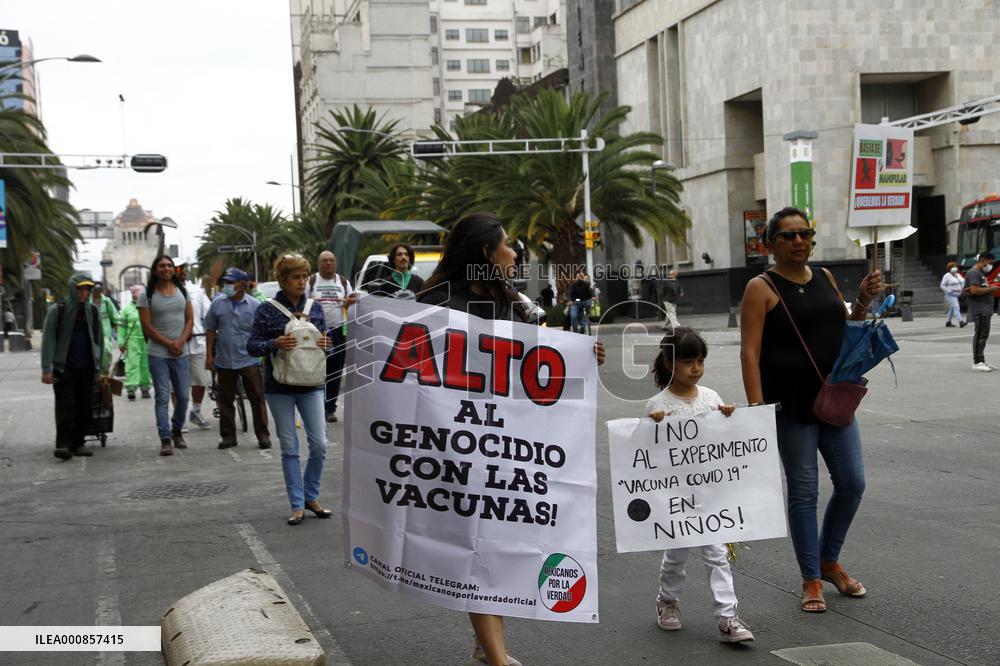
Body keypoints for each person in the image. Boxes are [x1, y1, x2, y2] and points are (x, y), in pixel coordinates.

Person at [418, 212, 606, 666]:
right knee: (477, 541)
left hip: (507, 442)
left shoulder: (511, 299)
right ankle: (498, 657)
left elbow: (534, 356)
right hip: (459, 441)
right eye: (506, 243)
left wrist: (580, 356)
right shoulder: (438, 301)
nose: (514, 251)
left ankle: (487, 645)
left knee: (498, 541)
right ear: (485, 252)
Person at [740, 206, 882, 613]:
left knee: (852, 484)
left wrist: (862, 300)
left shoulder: (825, 277)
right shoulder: (761, 287)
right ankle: (811, 579)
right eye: (789, 236)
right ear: (771, 244)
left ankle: (828, 559)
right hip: (791, 408)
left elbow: (847, 324)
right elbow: (749, 354)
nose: (799, 241)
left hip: (834, 399)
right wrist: (756, 410)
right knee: (804, 493)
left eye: (805, 233)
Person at [645, 327, 754, 643]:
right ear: (668, 362)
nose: (695, 368)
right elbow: (644, 451)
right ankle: (667, 601)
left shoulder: (711, 398)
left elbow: (723, 439)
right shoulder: (657, 404)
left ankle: (728, 616)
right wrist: (653, 425)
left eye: (700, 361)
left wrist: (727, 416)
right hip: (677, 497)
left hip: (709, 495)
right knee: (676, 555)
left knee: (717, 555)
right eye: (688, 361)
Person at [247, 254, 331, 525]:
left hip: (312, 382)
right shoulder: (266, 309)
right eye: (296, 277)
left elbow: (325, 337)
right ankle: (297, 504)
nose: (302, 281)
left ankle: (310, 495)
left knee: (319, 444)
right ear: (283, 280)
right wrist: (274, 343)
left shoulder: (314, 307)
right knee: (290, 447)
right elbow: (251, 345)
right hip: (278, 386)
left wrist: (326, 345)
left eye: (304, 277)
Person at [205, 267, 271, 449]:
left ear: (243, 284)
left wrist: (263, 353)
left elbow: (262, 333)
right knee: (225, 399)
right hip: (225, 359)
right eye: (227, 282)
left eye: (232, 282)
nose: (228, 285)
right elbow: (210, 329)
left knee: (257, 398)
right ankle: (228, 436)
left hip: (249, 359)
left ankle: (263, 435)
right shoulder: (218, 304)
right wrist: (209, 354)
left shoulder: (254, 305)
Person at [40, 273, 104, 459]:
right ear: (72, 289)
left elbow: (99, 339)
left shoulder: (92, 311)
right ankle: (63, 444)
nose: (84, 293)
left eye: (87, 289)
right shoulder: (57, 310)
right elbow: (48, 340)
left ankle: (79, 442)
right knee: (65, 406)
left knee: (84, 405)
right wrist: (46, 369)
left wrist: (99, 367)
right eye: (80, 289)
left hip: (87, 367)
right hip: (63, 367)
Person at [138, 255, 194, 456]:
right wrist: (168, 343)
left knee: (183, 396)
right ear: (155, 270)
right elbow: (146, 325)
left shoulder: (182, 291)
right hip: (158, 353)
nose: (166, 269)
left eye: (169, 265)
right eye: (162, 266)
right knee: (162, 396)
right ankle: (165, 438)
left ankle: (177, 430)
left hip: (181, 353)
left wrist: (180, 342)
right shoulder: (147, 294)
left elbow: (189, 320)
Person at [307, 250, 358, 423]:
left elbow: (352, 303)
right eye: (325, 261)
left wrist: (348, 302)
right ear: (319, 264)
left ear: (335, 264)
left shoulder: (343, 282)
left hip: (338, 331)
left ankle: (330, 408)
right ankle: (315, 405)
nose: (328, 264)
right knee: (316, 370)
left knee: (334, 371)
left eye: (331, 261)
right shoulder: (311, 281)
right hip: (315, 332)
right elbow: (303, 303)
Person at [175, 262, 213, 429]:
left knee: (200, 379)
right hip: (174, 343)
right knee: (175, 383)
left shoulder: (196, 291)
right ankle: (179, 415)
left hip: (197, 342)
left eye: (184, 269)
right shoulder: (164, 292)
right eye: (178, 269)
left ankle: (196, 411)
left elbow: (209, 313)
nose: (182, 272)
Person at [118, 285, 152, 400]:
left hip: (147, 340)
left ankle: (145, 387)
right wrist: (121, 342)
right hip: (132, 340)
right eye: (135, 293)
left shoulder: (149, 308)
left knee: (145, 365)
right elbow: (121, 327)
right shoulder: (126, 310)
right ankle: (131, 388)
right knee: (132, 364)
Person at [964, 252, 998, 372]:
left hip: (985, 308)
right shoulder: (974, 272)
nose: (991, 265)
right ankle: (977, 362)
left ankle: (981, 360)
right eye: (990, 263)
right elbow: (974, 290)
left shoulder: (980, 273)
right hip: (980, 308)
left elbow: (976, 288)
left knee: (983, 335)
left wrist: (989, 288)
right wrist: (991, 289)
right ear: (983, 260)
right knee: (980, 335)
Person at [90, 281, 119, 374]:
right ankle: (95, 373)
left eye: (99, 291)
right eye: (95, 290)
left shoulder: (107, 301)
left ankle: (104, 372)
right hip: (91, 334)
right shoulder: (87, 302)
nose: (97, 293)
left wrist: (121, 334)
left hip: (105, 334)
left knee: (106, 351)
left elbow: (116, 318)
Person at [939, 261, 967, 329]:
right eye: (953, 267)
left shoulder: (958, 274)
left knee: (952, 308)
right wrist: (949, 290)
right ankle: (960, 321)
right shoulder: (946, 276)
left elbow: (963, 282)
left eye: (955, 267)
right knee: (956, 307)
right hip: (951, 294)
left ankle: (948, 322)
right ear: (949, 268)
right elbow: (942, 285)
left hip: (959, 294)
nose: (954, 268)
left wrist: (963, 289)